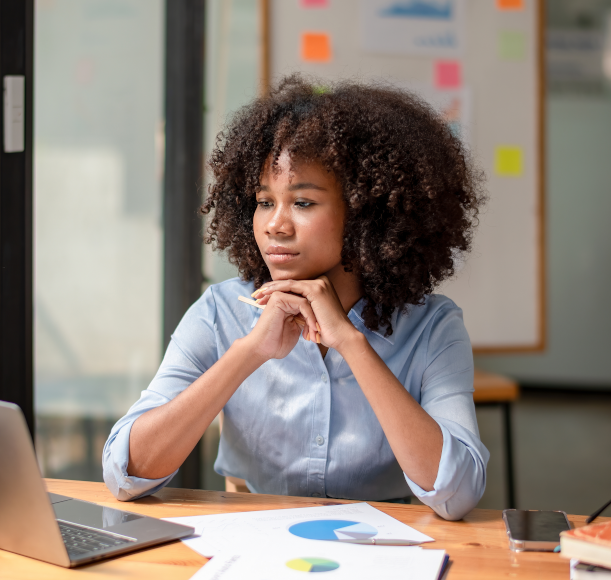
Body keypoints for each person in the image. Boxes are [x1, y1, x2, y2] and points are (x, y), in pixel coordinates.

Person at [103, 75, 488, 520]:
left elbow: (457, 493)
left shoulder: (433, 327)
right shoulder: (219, 314)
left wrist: (351, 342)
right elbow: (123, 473)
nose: (275, 225)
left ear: (367, 214)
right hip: (249, 543)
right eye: (265, 202)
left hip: (388, 546)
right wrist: (249, 352)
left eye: (302, 204)